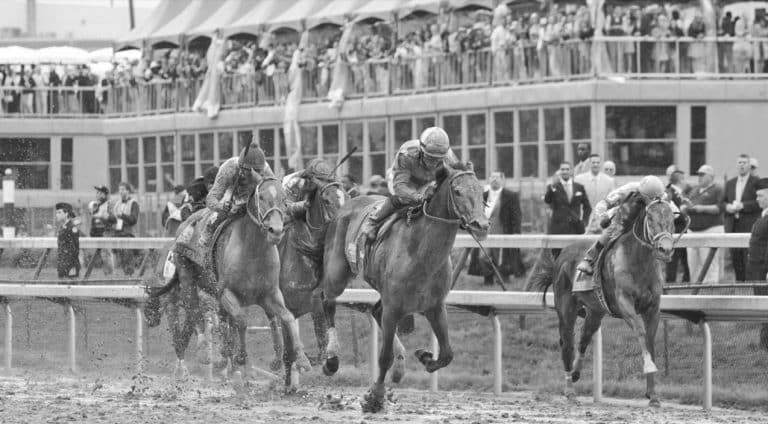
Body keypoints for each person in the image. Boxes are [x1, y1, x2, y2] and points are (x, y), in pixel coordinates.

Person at [362, 127, 459, 241]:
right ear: (421, 151)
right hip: (402, 179)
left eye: (437, 159)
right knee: (404, 199)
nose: (433, 164)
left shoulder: (449, 157)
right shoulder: (407, 154)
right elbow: (400, 187)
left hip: (427, 181)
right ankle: (373, 221)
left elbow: (458, 179)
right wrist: (418, 196)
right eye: (429, 158)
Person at [576, 175, 669, 278]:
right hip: (624, 214)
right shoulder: (628, 189)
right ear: (644, 195)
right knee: (612, 230)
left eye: (658, 199)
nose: (655, 201)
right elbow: (602, 204)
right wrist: (603, 216)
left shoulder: (662, 195)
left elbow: (673, 210)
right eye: (651, 199)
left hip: (647, 218)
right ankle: (588, 259)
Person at [200, 144, 274, 248]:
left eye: (258, 172)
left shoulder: (266, 170)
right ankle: (206, 249)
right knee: (212, 224)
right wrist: (221, 206)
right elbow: (211, 198)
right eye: (250, 172)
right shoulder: (229, 168)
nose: (254, 175)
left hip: (254, 196)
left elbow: (274, 195)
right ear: (241, 168)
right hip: (232, 194)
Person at [468, 172, 524, 286]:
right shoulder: (482, 196)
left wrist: (516, 231)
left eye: (497, 177)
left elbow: (517, 215)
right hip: (484, 231)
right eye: (492, 177)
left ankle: (504, 280)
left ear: (503, 179)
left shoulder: (510, 196)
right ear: (489, 179)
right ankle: (488, 280)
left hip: (503, 230)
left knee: (503, 257)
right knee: (485, 255)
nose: (494, 179)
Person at [681, 165, 724, 284]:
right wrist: (685, 207)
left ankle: (711, 290)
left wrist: (701, 208)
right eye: (698, 174)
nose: (699, 177)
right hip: (693, 230)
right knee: (693, 264)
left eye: (702, 174)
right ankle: (696, 290)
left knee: (709, 263)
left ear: (711, 176)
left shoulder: (718, 189)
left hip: (710, 229)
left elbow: (719, 208)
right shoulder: (694, 190)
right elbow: (688, 203)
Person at [722, 154, 761, 281]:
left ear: (749, 166)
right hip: (733, 224)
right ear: (736, 165)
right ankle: (739, 284)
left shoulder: (756, 182)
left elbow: (759, 203)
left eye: (744, 162)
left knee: (748, 258)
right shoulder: (730, 183)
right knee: (736, 258)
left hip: (749, 224)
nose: (742, 165)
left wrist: (742, 205)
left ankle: (749, 285)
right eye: (739, 162)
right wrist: (727, 207)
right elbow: (722, 202)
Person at [544, 162, 591, 257]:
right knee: (557, 259)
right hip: (558, 230)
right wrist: (550, 188)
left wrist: (584, 222)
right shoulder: (554, 187)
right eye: (562, 169)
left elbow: (587, 207)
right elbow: (547, 200)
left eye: (567, 169)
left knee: (575, 258)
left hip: (575, 228)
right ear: (560, 172)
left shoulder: (579, 187)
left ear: (571, 171)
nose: (565, 171)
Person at [746, 178, 768, 349]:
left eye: (760, 195)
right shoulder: (764, 215)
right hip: (758, 272)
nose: (757, 199)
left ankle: (765, 345)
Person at [665, 165, 690, 283]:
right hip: (675, 230)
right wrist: (684, 212)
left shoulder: (680, 193)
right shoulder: (670, 193)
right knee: (673, 260)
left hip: (682, 230)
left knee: (685, 259)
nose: (686, 182)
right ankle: (670, 283)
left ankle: (686, 281)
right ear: (680, 180)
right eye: (684, 179)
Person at [575, 154, 615, 228]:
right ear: (589, 164)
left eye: (598, 162)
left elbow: (611, 202)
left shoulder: (609, 181)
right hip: (584, 221)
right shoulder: (579, 179)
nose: (595, 164)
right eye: (593, 162)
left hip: (603, 222)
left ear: (601, 164)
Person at [112, 182, 140, 275]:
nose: (120, 191)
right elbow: (114, 219)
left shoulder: (134, 203)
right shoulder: (117, 204)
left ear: (128, 191)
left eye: (123, 189)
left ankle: (129, 277)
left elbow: (133, 220)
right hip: (117, 234)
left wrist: (122, 215)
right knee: (117, 259)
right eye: (119, 189)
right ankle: (118, 278)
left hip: (128, 234)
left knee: (127, 258)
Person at [88, 185, 115, 275]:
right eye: (97, 192)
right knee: (100, 256)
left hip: (105, 232)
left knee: (106, 254)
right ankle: (106, 274)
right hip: (97, 232)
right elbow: (93, 219)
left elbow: (113, 219)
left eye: (100, 193)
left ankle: (110, 274)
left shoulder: (108, 204)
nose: (97, 194)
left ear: (105, 194)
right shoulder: (96, 205)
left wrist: (105, 217)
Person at [55, 202, 81, 278]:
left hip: (70, 265)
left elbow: (75, 249)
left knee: (71, 287)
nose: (57, 215)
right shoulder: (62, 227)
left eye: (59, 212)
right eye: (57, 213)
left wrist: (72, 266)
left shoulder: (72, 228)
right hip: (62, 264)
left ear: (66, 214)